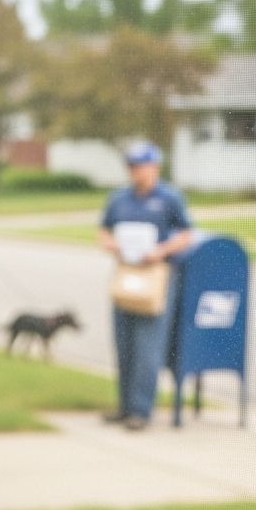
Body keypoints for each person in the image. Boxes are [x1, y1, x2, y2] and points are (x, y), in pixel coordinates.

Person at [98, 142, 193, 430]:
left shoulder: (169, 198)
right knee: (123, 341)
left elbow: (186, 234)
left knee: (147, 345)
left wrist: (161, 251)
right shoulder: (120, 198)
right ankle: (124, 406)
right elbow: (103, 230)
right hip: (126, 272)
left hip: (156, 275)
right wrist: (111, 244)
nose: (135, 171)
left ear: (154, 167)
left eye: (140, 165)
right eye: (131, 166)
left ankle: (141, 410)